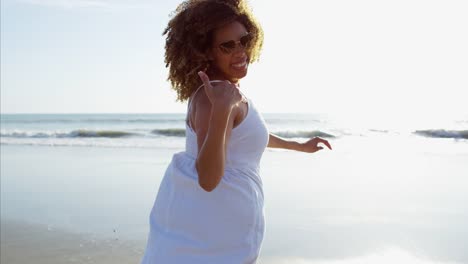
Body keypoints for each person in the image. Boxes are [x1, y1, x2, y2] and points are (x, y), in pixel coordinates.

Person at [141, 0, 332, 263]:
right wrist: (221, 111)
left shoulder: (227, 92)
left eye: (244, 40)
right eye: (227, 45)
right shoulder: (216, 98)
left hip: (215, 233)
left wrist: (298, 145)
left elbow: (243, 141)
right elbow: (208, 178)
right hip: (212, 239)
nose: (240, 51)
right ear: (206, 51)